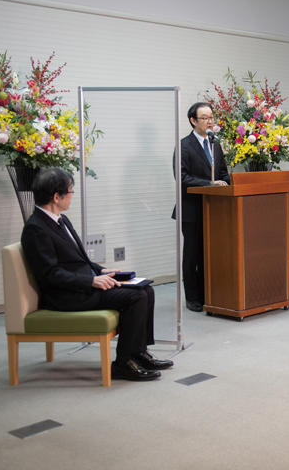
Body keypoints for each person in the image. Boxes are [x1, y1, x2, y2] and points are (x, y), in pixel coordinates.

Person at [21, 168, 172, 381]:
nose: (72, 196)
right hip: (66, 295)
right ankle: (123, 363)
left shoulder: (61, 220)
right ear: (56, 197)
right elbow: (50, 274)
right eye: (70, 191)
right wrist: (91, 280)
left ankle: (139, 353)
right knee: (136, 296)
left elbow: (77, 258)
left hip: (84, 283)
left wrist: (100, 270)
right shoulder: (35, 229)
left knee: (146, 289)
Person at [173, 102, 230, 312]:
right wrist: (209, 184)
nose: (210, 121)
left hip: (214, 209)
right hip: (192, 210)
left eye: (211, 117)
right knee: (193, 254)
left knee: (210, 252)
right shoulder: (184, 146)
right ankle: (193, 297)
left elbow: (223, 173)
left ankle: (209, 293)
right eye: (205, 118)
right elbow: (182, 177)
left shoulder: (215, 144)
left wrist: (227, 183)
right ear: (193, 121)